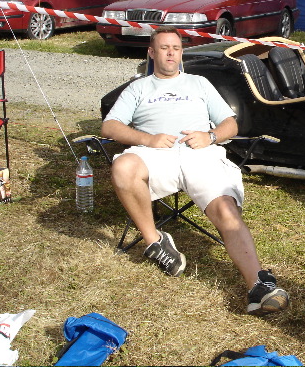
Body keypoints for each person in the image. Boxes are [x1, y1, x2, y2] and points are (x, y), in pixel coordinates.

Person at [101, 26, 289, 316]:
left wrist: (210, 136)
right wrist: (148, 139)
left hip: (199, 154)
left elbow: (231, 123)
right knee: (122, 167)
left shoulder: (199, 83)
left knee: (226, 210)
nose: (170, 53)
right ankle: (156, 242)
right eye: (164, 48)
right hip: (154, 154)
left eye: (175, 48)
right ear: (151, 53)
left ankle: (257, 286)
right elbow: (110, 127)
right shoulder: (139, 87)